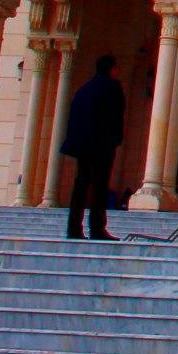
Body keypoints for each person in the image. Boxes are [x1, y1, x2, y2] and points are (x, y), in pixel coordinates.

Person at [60, 55, 126, 241]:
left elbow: (74, 119)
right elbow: (116, 117)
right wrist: (115, 140)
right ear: (111, 69)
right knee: (99, 186)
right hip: (102, 146)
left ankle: (74, 228)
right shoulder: (112, 88)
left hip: (84, 146)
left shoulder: (84, 90)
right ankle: (97, 228)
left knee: (81, 184)